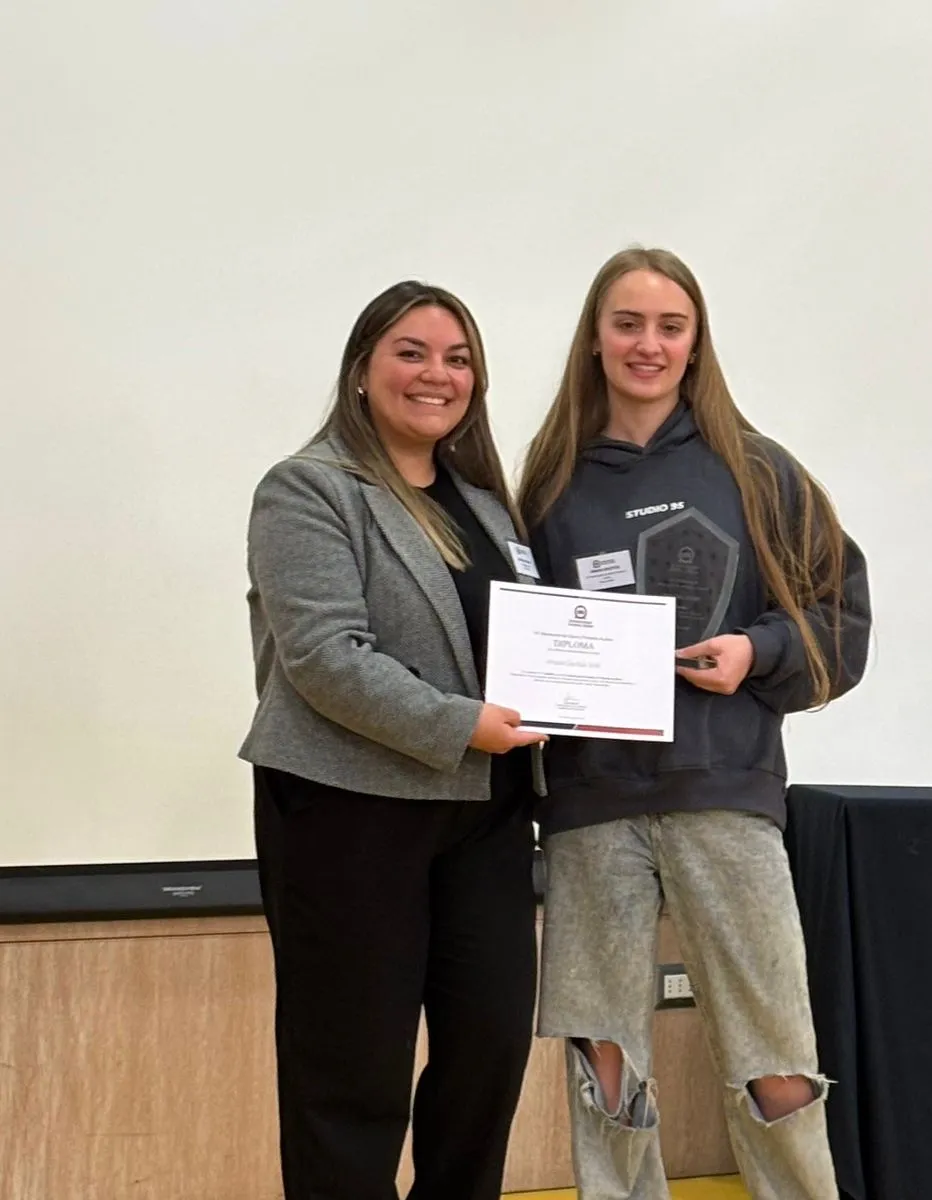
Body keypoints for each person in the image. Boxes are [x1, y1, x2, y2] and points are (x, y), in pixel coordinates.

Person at [515, 247, 871, 1200]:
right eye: (628, 324)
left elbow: (842, 617)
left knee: (775, 1053)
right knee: (606, 1058)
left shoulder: (757, 471)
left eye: (670, 327)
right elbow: (519, 642)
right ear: (595, 339)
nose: (648, 344)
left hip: (726, 797)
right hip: (590, 808)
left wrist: (758, 653)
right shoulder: (547, 483)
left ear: (696, 342)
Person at [240, 281, 547, 1200]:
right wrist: (465, 725)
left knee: (487, 1058)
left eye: (458, 359)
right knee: (354, 1077)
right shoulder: (308, 488)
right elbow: (326, 659)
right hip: (349, 818)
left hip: (485, 820)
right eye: (412, 352)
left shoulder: (488, 504)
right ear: (363, 370)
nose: (436, 375)